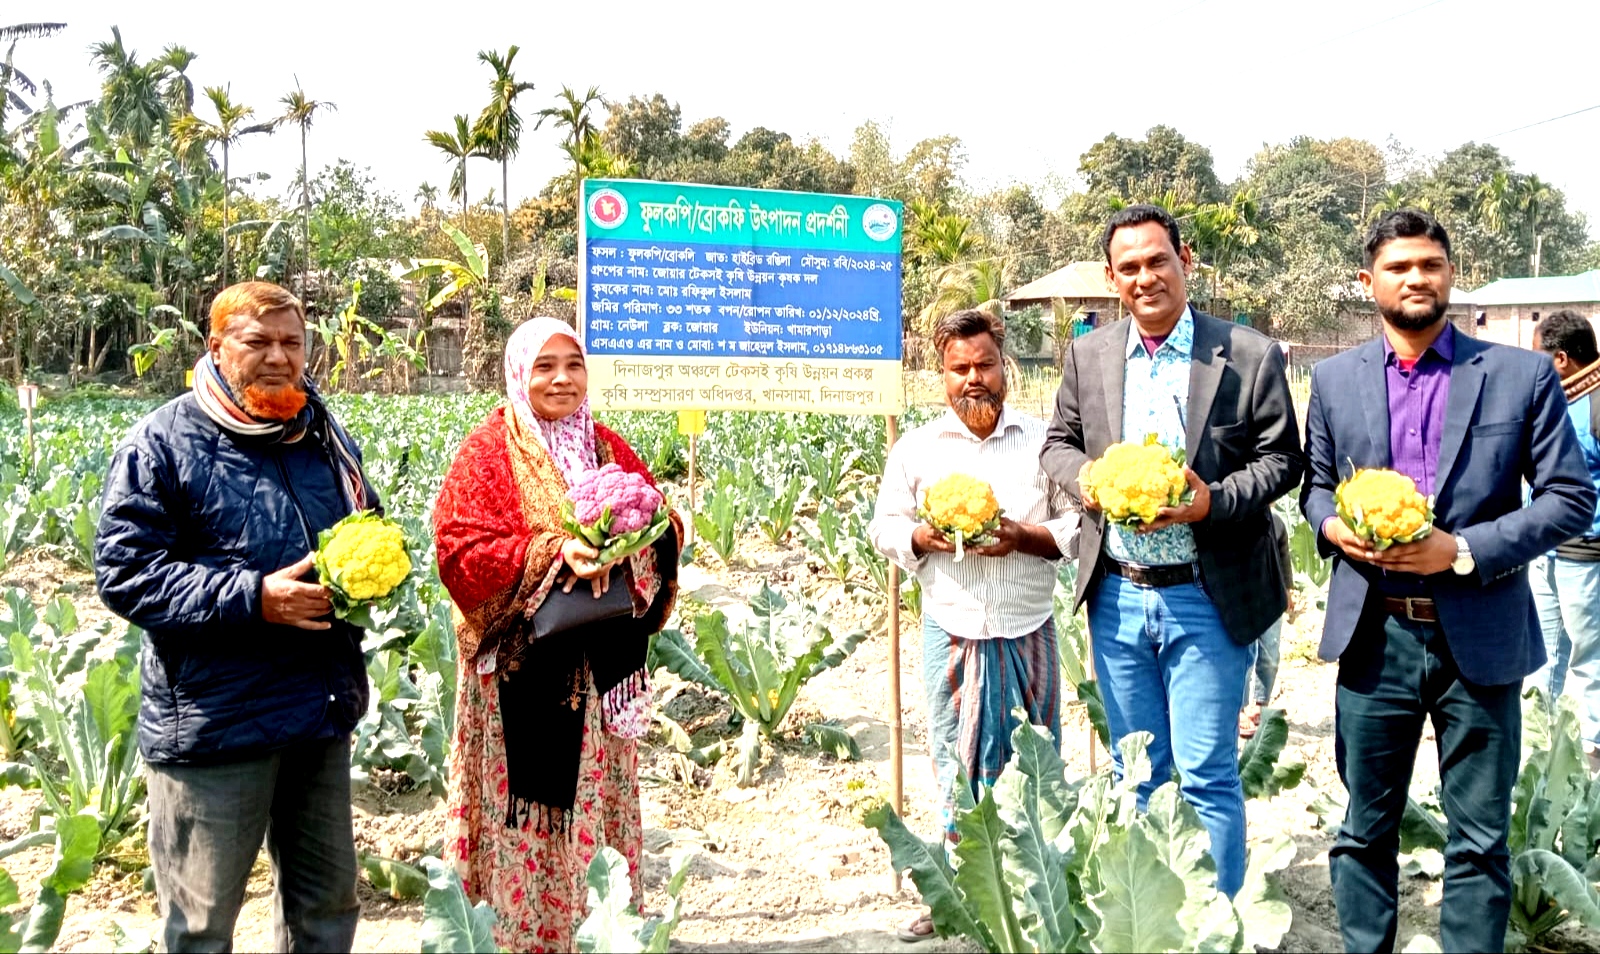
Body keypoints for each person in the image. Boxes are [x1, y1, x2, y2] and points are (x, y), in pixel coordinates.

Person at [1301, 210, 1595, 952]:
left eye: (1430, 264)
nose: (1416, 278)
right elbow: (1315, 488)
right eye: (1398, 267)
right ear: (1369, 283)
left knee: (1478, 841)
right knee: (1365, 830)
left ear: (1450, 274)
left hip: (1482, 635)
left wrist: (1459, 550)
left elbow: (1569, 499)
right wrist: (1333, 525)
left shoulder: (1518, 375)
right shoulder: (1335, 380)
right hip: (1374, 636)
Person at [95, 281, 374, 953]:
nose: (278, 356)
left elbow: (364, 526)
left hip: (316, 708)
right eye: (258, 341)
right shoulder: (161, 443)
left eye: (292, 342)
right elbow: (126, 573)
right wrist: (253, 598)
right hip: (216, 723)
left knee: (327, 908)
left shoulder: (320, 435)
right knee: (203, 924)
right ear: (216, 347)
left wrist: (366, 580)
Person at [1039, 204, 1303, 898]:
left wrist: (1211, 500)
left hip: (1207, 592)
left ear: (1185, 260)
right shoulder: (1088, 353)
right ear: (1111, 277)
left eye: (1158, 260)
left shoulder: (1247, 353)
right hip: (1119, 594)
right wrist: (1088, 483)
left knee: (1208, 772)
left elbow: (1282, 460)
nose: (1145, 276)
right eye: (1129, 267)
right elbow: (1057, 446)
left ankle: (1216, 925)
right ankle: (1154, 915)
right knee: (1139, 771)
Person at [433, 317, 682, 953]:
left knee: (593, 800)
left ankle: (596, 928)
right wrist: (555, 552)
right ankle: (527, 934)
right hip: (521, 681)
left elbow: (663, 522)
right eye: (544, 366)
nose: (562, 378)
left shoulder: (607, 447)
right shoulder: (489, 451)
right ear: (519, 373)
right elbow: (458, 549)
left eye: (573, 364)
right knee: (533, 807)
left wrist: (633, 541)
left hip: (601, 678)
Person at [868, 309, 1079, 943]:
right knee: (954, 761)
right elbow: (884, 525)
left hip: (1030, 627)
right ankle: (959, 888)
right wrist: (919, 535)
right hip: (953, 628)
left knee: (1036, 758)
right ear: (942, 375)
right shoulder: (917, 448)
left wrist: (1024, 536)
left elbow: (1077, 525)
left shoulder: (1044, 442)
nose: (973, 379)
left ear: (1003, 365)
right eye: (959, 369)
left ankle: (1035, 879)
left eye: (984, 364)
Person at [1528, 309, 1600, 770]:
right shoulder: (1556, 401)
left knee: (1588, 659)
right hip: (1545, 549)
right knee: (1544, 654)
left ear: (1560, 359)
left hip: (1586, 554)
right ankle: (1543, 748)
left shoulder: (1596, 402)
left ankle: (1592, 753)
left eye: (1538, 356)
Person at [1241, 512, 1294, 738]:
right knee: (1244, 658)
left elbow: (1284, 559)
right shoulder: (1238, 522)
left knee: (1270, 656)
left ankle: (1260, 705)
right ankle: (1240, 708)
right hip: (1243, 601)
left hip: (1271, 599)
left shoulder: (1277, 523)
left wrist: (1287, 590)